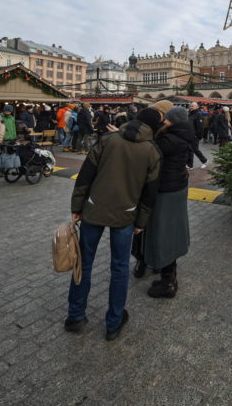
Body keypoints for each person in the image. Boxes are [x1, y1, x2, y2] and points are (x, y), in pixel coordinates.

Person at [66, 107, 163, 340]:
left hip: (93, 208)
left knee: (84, 263)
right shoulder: (152, 151)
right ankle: (113, 322)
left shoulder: (107, 140)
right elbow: (151, 192)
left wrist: (76, 207)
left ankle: (75, 316)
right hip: (126, 214)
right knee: (119, 268)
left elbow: (86, 174)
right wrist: (141, 221)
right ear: (153, 127)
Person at [140, 106, 193, 298]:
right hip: (177, 187)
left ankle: (168, 281)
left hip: (166, 191)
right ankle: (167, 273)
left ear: (172, 120)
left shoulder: (168, 139)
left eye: (166, 118)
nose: (163, 121)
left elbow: (147, 155)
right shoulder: (181, 134)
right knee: (170, 231)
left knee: (164, 233)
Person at [186, 102, 207, 170]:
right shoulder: (190, 114)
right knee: (190, 150)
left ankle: (204, 161)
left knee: (195, 149)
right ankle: (190, 165)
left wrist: (198, 136)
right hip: (189, 135)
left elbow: (200, 127)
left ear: (197, 107)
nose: (191, 107)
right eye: (190, 106)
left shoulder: (198, 114)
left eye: (192, 106)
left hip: (195, 136)